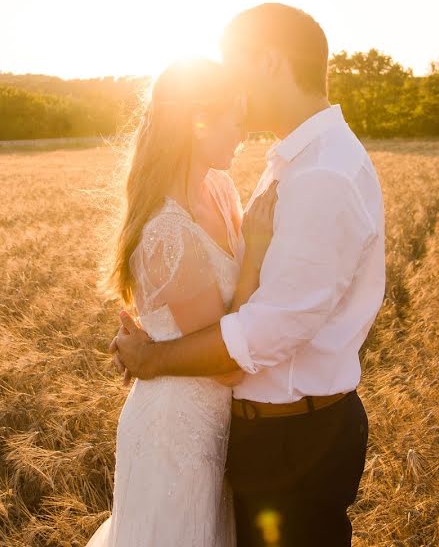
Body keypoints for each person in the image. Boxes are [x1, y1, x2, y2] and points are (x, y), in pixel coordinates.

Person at [111, 3, 386, 547]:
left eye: (235, 66)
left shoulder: (322, 175)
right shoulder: (294, 161)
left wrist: (152, 358)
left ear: (269, 62)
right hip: (252, 435)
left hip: (295, 442)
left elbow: (265, 329)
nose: (230, 87)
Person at [86, 57, 279, 547]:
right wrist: (254, 249)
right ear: (198, 124)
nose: (243, 132)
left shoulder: (218, 188)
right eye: (235, 119)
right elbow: (230, 364)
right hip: (175, 434)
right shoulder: (169, 232)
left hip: (212, 428)